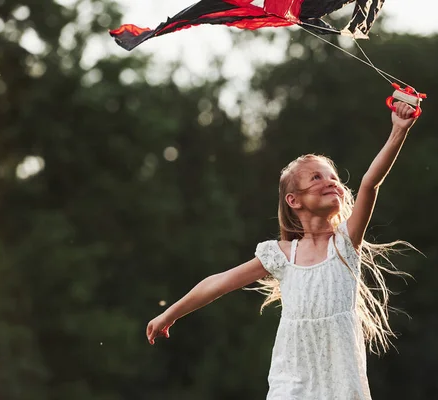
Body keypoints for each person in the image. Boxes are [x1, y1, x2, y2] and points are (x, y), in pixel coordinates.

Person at [146, 102, 419, 399]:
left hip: (341, 380)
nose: (331, 182)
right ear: (294, 200)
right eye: (316, 177)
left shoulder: (344, 244)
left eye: (333, 178)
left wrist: (398, 130)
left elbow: (370, 184)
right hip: (292, 378)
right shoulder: (280, 255)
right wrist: (170, 314)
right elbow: (219, 283)